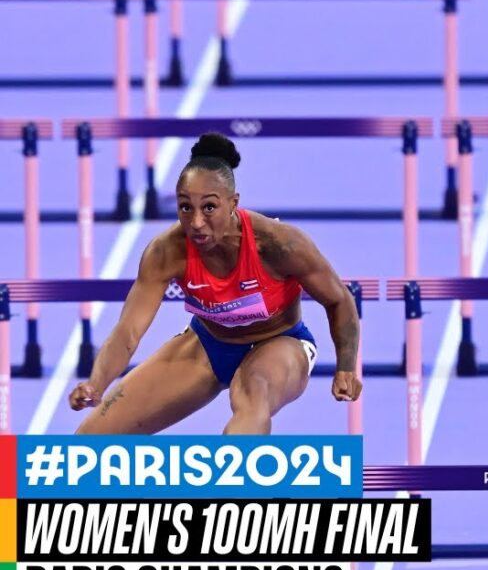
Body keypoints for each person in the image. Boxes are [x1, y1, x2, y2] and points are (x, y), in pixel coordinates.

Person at [68, 132, 362, 434]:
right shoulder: (167, 252)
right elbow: (128, 331)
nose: (196, 222)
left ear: (233, 203)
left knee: (252, 400)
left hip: (280, 342)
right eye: (185, 207)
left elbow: (338, 300)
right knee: (90, 440)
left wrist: (346, 367)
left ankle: (235, 464)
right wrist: (96, 383)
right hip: (209, 344)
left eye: (209, 207)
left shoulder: (278, 244)